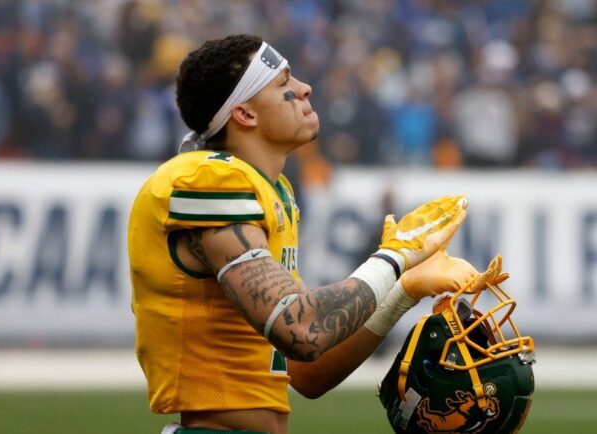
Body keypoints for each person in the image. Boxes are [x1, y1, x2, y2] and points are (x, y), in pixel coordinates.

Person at [128, 34, 478, 434]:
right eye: (283, 84)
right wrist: (393, 258)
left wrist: (401, 290)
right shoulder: (210, 179)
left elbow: (306, 371)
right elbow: (301, 330)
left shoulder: (272, 191)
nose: (304, 88)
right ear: (245, 114)